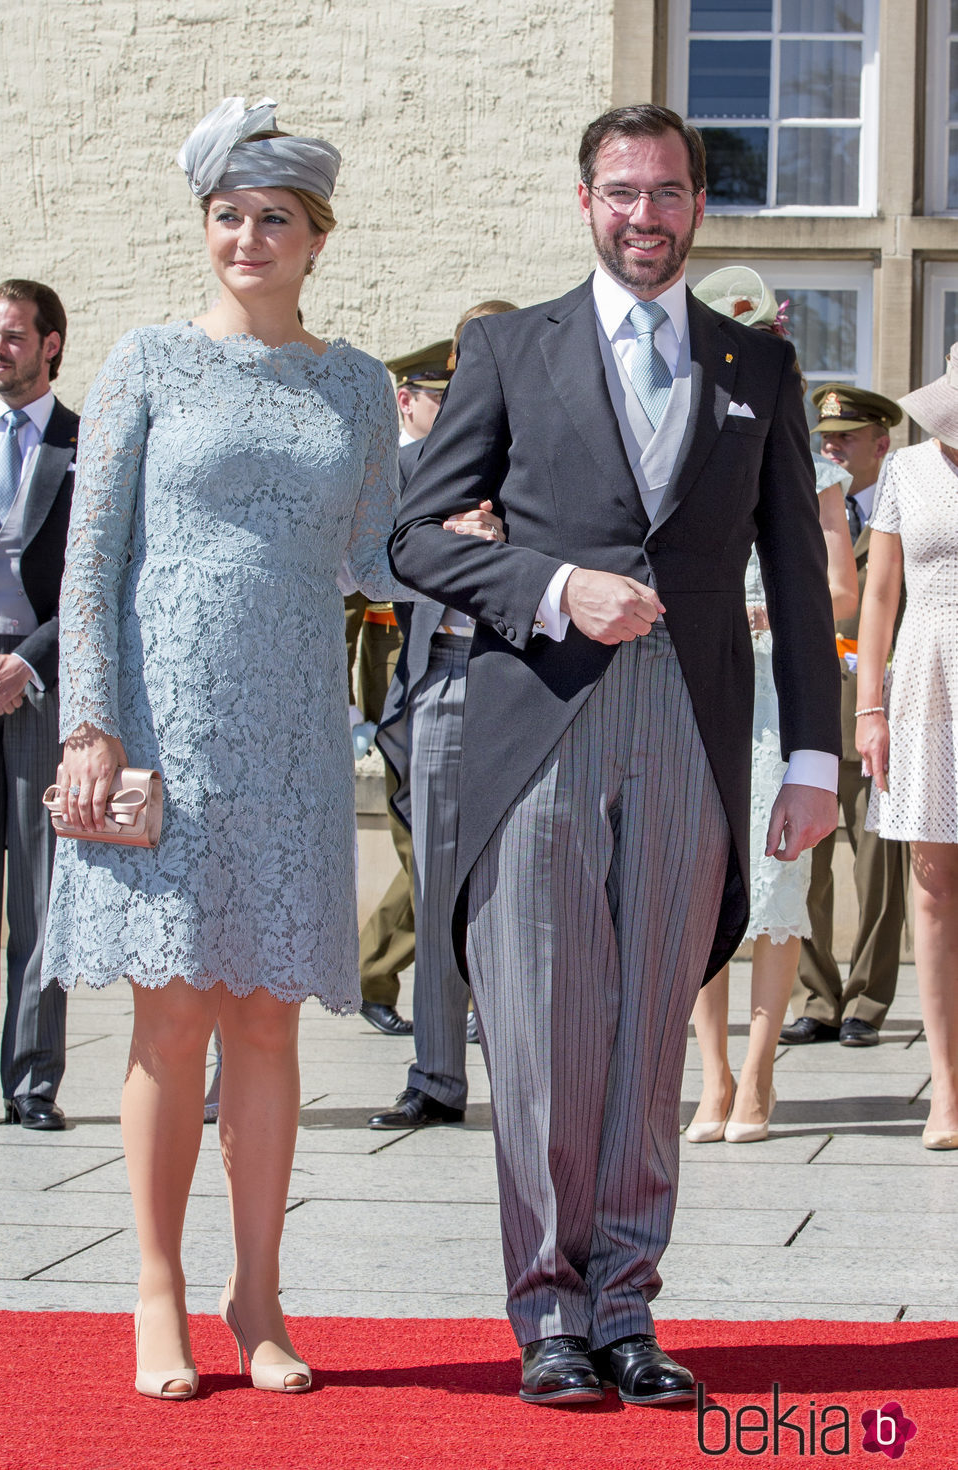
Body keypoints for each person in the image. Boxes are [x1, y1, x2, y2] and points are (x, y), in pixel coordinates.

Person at [39, 96, 498, 1402]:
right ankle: (157, 1292)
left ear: (315, 237)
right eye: (229, 215)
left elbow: (370, 558)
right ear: (208, 228)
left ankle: (259, 1292)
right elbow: (93, 558)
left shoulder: (355, 384)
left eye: (275, 219)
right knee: (171, 1018)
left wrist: (480, 538)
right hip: (164, 729)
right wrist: (91, 719)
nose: (249, 235)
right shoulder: (143, 363)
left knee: (269, 1024)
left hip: (294, 734)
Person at [389, 104, 840, 1408]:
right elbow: (416, 539)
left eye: (668, 193)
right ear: (584, 199)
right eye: (622, 192)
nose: (645, 216)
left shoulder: (754, 364)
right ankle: (548, 1312)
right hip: (540, 719)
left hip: (690, 729)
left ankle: (627, 1303)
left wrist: (811, 758)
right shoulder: (506, 350)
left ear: (699, 205)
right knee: (537, 1031)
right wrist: (552, 585)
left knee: (650, 1028)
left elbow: (798, 583)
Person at [683, 269, 858, 1145]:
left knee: (776, 882)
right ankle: (709, 1076)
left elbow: (839, 588)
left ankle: (758, 1076)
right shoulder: (685, 442)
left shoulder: (814, 462)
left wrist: (769, 610)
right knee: (703, 879)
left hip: (775, 695)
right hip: (703, 684)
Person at [370, 300, 517, 1130]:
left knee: (527, 886)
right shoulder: (414, 463)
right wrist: (440, 545)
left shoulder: (548, 459)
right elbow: (375, 561)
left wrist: (510, 535)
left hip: (528, 681)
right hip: (443, 676)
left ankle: (530, 1072)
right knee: (436, 882)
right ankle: (434, 1075)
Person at [782, 384, 909, 1049]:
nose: (830, 447)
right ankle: (817, 997)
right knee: (805, 871)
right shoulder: (808, 507)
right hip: (808, 718)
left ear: (881, 444)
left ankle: (867, 1001)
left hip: (874, 717)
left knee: (877, 873)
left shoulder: (904, 507)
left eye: (846, 438)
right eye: (824, 437)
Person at [0, 279, 77, 1131]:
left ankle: (33, 1084)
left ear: (51, 345)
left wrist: (27, 663)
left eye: (14, 336)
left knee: (42, 894)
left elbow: (94, 585)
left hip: (42, 678)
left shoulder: (86, 446)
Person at [855, 345, 958, 1151]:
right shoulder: (908, 471)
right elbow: (879, 595)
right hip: (927, 685)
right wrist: (870, 709)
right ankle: (947, 1091)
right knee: (931, 887)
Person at [351, 341, 453, 1037]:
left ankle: (372, 974)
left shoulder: (479, 468)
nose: (449, 411)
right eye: (437, 397)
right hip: (406, 692)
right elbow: (353, 599)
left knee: (439, 853)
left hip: (467, 688)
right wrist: (350, 706)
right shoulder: (387, 477)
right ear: (405, 400)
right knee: (428, 850)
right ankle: (371, 974)